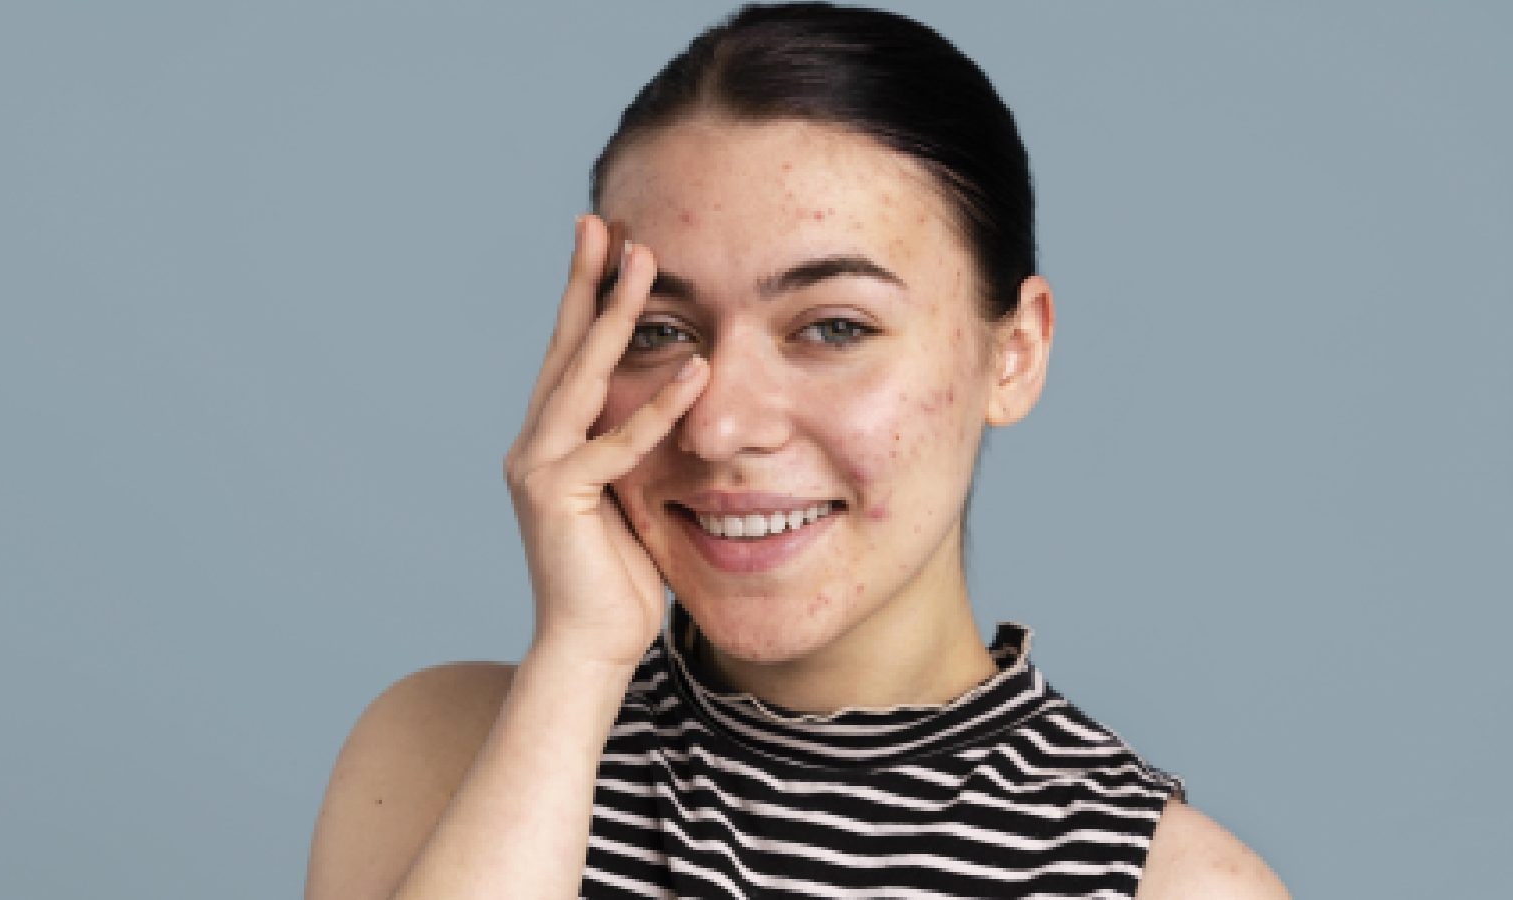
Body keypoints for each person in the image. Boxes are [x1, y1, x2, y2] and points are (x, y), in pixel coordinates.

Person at [305, 4, 1289, 898]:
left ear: (1015, 352)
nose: (721, 425)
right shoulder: (446, 753)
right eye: (659, 330)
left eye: (832, 328)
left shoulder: (1164, 883)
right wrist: (577, 660)